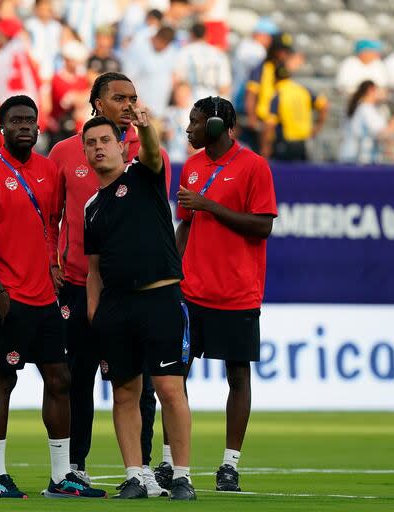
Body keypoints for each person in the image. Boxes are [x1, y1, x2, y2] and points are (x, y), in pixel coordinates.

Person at [0, 95, 105, 499]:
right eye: (16, 121)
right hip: (5, 297)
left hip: (45, 297)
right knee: (3, 379)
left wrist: (54, 265)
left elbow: (53, 225)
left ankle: (61, 477)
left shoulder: (48, 171)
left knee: (60, 379)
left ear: (39, 128)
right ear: (2, 128)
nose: (25, 126)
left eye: (30, 120)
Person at [47, 72, 171, 497]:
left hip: (133, 290)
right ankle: (76, 464)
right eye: (118, 97)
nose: (126, 103)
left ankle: (143, 467)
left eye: (132, 97)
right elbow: (51, 215)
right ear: (97, 103)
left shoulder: (146, 154)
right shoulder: (66, 152)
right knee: (76, 376)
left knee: (141, 385)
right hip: (80, 282)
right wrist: (52, 258)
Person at [83, 112, 195, 501]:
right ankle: (133, 474)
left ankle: (181, 476)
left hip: (160, 298)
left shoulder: (144, 175)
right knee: (124, 392)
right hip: (115, 308)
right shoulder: (91, 207)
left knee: (168, 387)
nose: (98, 148)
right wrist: (95, 311)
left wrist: (146, 126)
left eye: (104, 141)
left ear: (120, 145)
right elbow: (93, 269)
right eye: (91, 144)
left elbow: (151, 149)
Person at [176, 96, 276, 493]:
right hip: (191, 289)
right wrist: (172, 270)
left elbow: (262, 226)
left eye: (196, 122)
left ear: (217, 127)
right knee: (173, 375)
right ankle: (171, 461)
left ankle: (229, 465)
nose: (189, 129)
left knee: (237, 374)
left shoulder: (254, 166)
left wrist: (209, 205)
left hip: (237, 291)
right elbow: (185, 224)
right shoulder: (192, 166)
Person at [261, 66, 328, 161]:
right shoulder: (303, 90)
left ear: (275, 78)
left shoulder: (278, 95)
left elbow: (270, 124)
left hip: (285, 143)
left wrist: (266, 147)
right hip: (305, 142)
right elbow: (324, 105)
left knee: (285, 174)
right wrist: (318, 126)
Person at [243, 32, 293, 153]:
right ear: (274, 50)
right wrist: (251, 117)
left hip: (282, 120)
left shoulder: (283, 69)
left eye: (287, 51)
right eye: (282, 50)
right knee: (265, 150)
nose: (285, 54)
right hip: (265, 119)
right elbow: (251, 94)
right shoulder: (261, 68)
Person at [121, 26, 177, 118]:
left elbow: (172, 75)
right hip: (138, 110)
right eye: (163, 44)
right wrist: (138, 104)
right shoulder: (138, 49)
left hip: (161, 111)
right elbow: (128, 80)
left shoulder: (171, 51)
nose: (165, 48)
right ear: (158, 38)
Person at [339, 80, 394, 164]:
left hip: (360, 160)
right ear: (371, 90)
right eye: (379, 89)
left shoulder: (367, 108)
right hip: (359, 161)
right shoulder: (366, 109)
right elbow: (382, 134)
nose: (384, 92)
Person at [173, 23, 231, 101]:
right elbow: (224, 87)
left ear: (191, 35)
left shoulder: (184, 52)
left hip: (191, 102)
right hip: (213, 103)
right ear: (207, 35)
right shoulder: (219, 54)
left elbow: (177, 81)